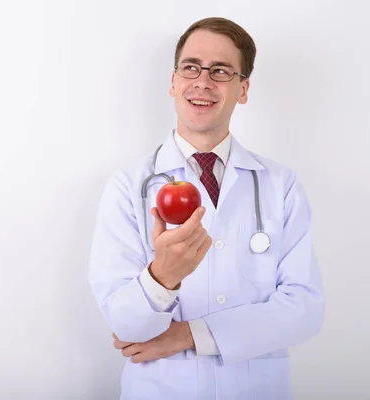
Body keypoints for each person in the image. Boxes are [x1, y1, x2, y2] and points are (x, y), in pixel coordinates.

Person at [88, 17, 324, 399]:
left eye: (221, 71)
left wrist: (188, 335)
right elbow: (125, 326)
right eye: (191, 67)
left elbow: (305, 308)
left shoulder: (280, 185)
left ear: (243, 89)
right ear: (173, 82)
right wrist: (161, 277)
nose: (203, 81)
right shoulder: (128, 186)